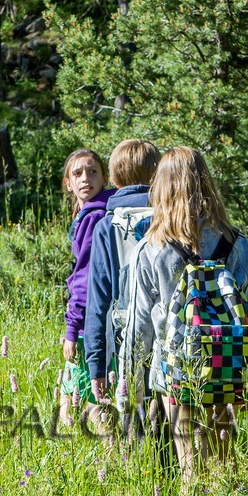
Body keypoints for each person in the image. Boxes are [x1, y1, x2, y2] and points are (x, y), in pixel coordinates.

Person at [124, 147, 248, 476]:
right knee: (223, 463)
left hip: (176, 372)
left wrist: (129, 391)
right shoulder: (235, 242)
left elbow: (139, 328)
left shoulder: (151, 248)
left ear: (162, 187)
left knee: (190, 464)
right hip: (226, 365)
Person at [82, 139, 161, 407]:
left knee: (133, 418)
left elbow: (98, 303)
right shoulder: (174, 219)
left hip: (125, 340)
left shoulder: (107, 227)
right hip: (171, 338)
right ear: (157, 175)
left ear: (114, 179)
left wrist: (97, 366)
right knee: (169, 422)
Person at [58, 148, 113, 426]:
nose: (85, 178)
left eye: (92, 172)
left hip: (88, 323)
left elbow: (85, 278)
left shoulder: (93, 218)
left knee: (75, 399)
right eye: (77, 173)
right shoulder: (97, 211)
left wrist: (72, 329)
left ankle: (92, 443)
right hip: (106, 319)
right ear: (68, 183)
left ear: (104, 178)